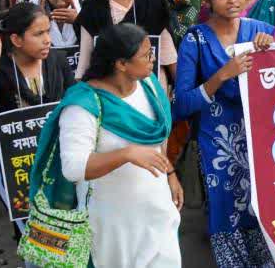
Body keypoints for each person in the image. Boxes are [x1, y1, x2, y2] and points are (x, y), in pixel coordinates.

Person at [29, 22, 181, 266]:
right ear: (121, 64)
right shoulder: (83, 105)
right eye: (145, 55)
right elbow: (74, 167)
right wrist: (126, 154)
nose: (152, 60)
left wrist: (170, 174)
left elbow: (155, 142)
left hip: (157, 212)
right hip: (112, 225)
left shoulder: (149, 84)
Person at [174, 0, 275, 266]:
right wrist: (221, 76)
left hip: (263, 143)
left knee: (265, 208)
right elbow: (182, 105)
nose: (232, 0)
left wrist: (272, 53)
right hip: (218, 149)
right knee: (227, 215)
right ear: (207, 1)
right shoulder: (195, 40)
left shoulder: (263, 33)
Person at [0, 4, 75, 232]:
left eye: (48, 31)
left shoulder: (57, 62)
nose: (47, 39)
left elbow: (75, 103)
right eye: (39, 34)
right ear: (17, 40)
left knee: (63, 225)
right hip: (15, 166)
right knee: (33, 230)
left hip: (56, 159)